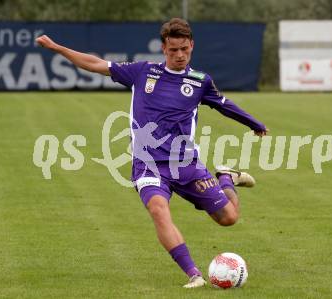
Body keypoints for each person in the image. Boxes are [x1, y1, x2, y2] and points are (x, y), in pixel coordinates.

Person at [36, 17, 268, 288]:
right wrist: (58, 48)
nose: (179, 55)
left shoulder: (199, 81)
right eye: (173, 50)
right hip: (149, 165)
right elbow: (97, 64)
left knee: (228, 218)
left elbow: (225, 105)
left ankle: (226, 176)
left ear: (191, 46)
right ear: (163, 49)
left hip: (186, 164)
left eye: (184, 49)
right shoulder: (142, 72)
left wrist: (254, 123)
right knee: (159, 209)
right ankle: (193, 274)